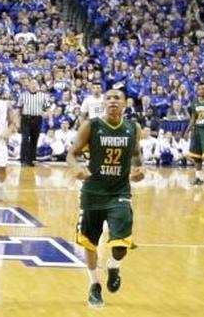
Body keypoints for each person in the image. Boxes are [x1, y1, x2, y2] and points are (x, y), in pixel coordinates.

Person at [67, 89, 143, 308]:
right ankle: (94, 285)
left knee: (120, 245)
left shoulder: (132, 128)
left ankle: (113, 265)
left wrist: (140, 169)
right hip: (93, 192)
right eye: (108, 98)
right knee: (90, 243)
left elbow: (136, 154)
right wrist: (76, 168)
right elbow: (72, 153)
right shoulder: (91, 126)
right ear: (103, 103)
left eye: (116, 98)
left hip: (119, 192)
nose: (112, 101)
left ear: (124, 104)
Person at [17, 78, 48, 166]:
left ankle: (31, 159)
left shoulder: (43, 96)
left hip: (37, 119)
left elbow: (47, 108)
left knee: (34, 139)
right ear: (29, 85)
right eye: (32, 84)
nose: (34, 86)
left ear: (38, 86)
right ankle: (23, 159)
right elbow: (19, 108)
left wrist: (50, 119)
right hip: (26, 118)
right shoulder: (23, 95)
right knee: (25, 138)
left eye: (35, 84)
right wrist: (17, 119)